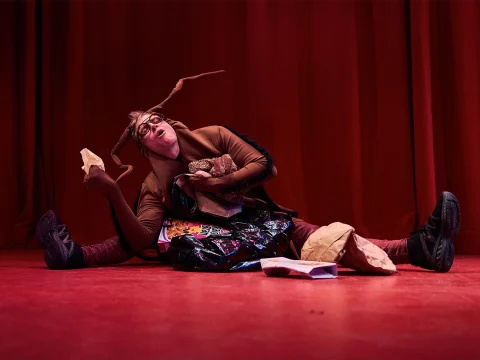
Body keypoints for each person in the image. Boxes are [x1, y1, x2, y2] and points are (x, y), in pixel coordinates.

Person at [36, 72, 461, 273]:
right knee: (154, 236)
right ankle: (73, 255)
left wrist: (216, 182)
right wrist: (112, 191)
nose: (151, 127)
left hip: (250, 220)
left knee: (305, 233)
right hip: (202, 236)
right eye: (142, 131)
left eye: (154, 119)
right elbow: (141, 238)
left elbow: (264, 165)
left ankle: (418, 247)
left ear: (168, 119)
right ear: (145, 147)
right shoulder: (152, 184)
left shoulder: (216, 136)